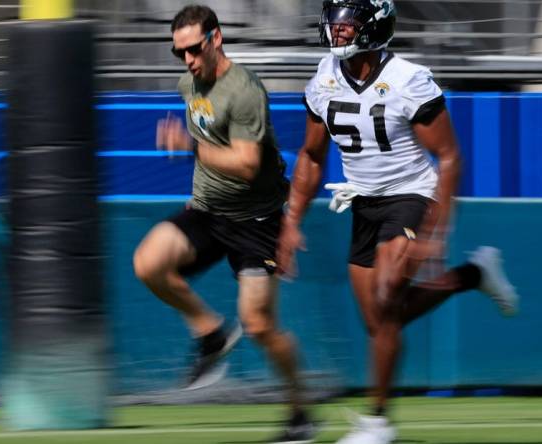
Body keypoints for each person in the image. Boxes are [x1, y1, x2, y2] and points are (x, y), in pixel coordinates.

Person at [276, 1, 520, 443]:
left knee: (389, 297)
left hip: (412, 195)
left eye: (347, 26)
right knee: (382, 322)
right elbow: (312, 155)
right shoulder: (324, 77)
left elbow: (448, 157)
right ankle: (473, 274)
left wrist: (435, 232)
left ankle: (377, 423)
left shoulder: (408, 80)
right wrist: (291, 220)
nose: (338, 33)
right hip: (364, 202)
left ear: (373, 28)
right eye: (335, 25)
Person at [132, 5, 315, 443]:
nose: (188, 60)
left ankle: (300, 413)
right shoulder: (188, 83)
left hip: (256, 221)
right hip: (207, 210)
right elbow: (208, 139)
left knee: (259, 327)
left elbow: (248, 165)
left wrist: (188, 148)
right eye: (179, 53)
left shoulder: (245, 90)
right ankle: (211, 333)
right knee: (148, 263)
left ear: (216, 39)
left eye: (194, 49)